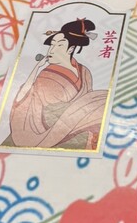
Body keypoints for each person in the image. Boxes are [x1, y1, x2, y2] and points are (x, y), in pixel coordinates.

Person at [7, 19, 108, 150]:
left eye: (59, 45)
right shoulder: (46, 77)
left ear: (71, 49)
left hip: (80, 127)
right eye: (52, 45)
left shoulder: (84, 72)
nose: (52, 50)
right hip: (48, 132)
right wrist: (36, 68)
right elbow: (24, 101)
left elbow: (88, 102)